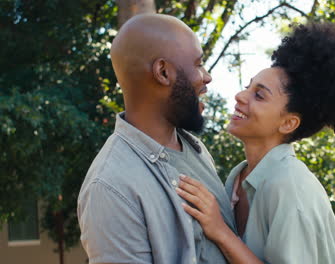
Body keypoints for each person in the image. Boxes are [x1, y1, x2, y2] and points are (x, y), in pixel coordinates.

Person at [176, 22, 335, 263]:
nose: (240, 96)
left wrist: (220, 231)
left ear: (288, 123)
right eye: (248, 87)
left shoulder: (290, 186)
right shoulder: (239, 179)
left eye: (259, 95)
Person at [77, 14, 236, 264]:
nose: (207, 77)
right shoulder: (110, 187)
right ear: (163, 72)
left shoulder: (196, 149)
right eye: (197, 64)